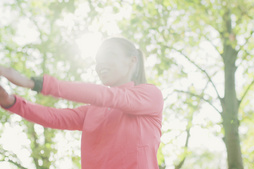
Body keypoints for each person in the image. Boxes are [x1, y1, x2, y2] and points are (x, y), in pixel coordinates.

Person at [0, 37, 164, 169]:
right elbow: (55, 117)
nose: (101, 64)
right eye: (97, 61)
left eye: (110, 55)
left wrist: (33, 83)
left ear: (132, 61)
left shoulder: (150, 95)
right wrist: (11, 102)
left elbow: (109, 96)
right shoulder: (93, 111)